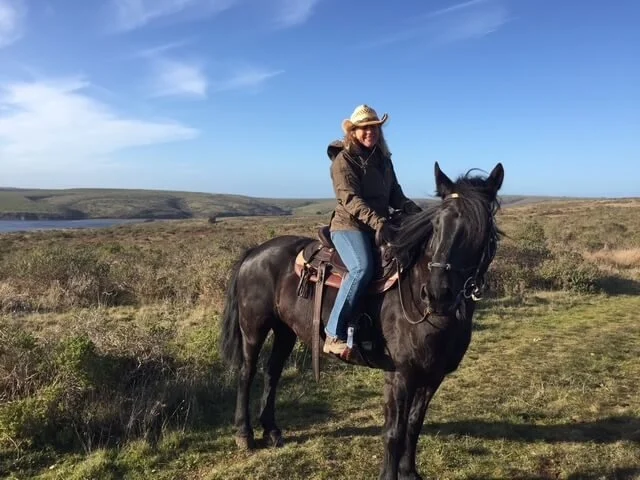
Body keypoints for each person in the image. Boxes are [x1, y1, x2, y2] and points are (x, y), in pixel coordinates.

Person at [323, 104, 422, 356]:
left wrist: (415, 211)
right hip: (349, 226)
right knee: (361, 268)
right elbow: (351, 200)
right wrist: (380, 222)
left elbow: (395, 194)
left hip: (377, 225)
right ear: (353, 131)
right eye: (364, 128)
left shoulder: (383, 160)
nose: (370, 132)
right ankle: (334, 333)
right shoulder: (343, 160)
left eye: (374, 128)